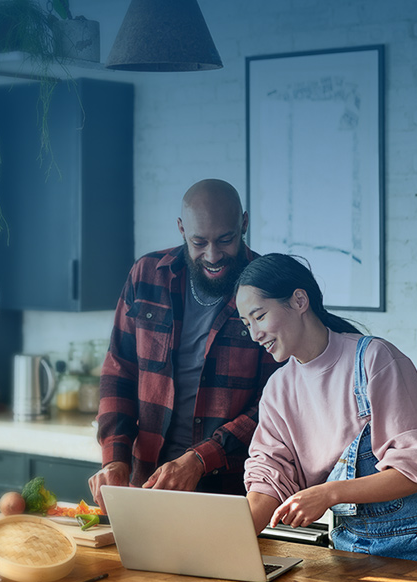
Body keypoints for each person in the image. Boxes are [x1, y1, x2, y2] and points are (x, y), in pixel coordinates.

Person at [236, 253, 417, 570]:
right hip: (351, 551)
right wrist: (220, 545)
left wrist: (328, 494)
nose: (255, 334)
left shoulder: (374, 360)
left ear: (299, 301)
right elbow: (268, 480)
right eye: (247, 324)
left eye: (259, 316)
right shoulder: (277, 391)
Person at [89, 179, 281, 510]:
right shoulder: (146, 276)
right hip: (148, 482)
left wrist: (200, 459)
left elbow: (275, 403)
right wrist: (115, 458)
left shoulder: (267, 290)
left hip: (230, 490)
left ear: (244, 224)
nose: (213, 255)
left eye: (225, 239)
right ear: (181, 229)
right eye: (199, 241)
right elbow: (119, 371)